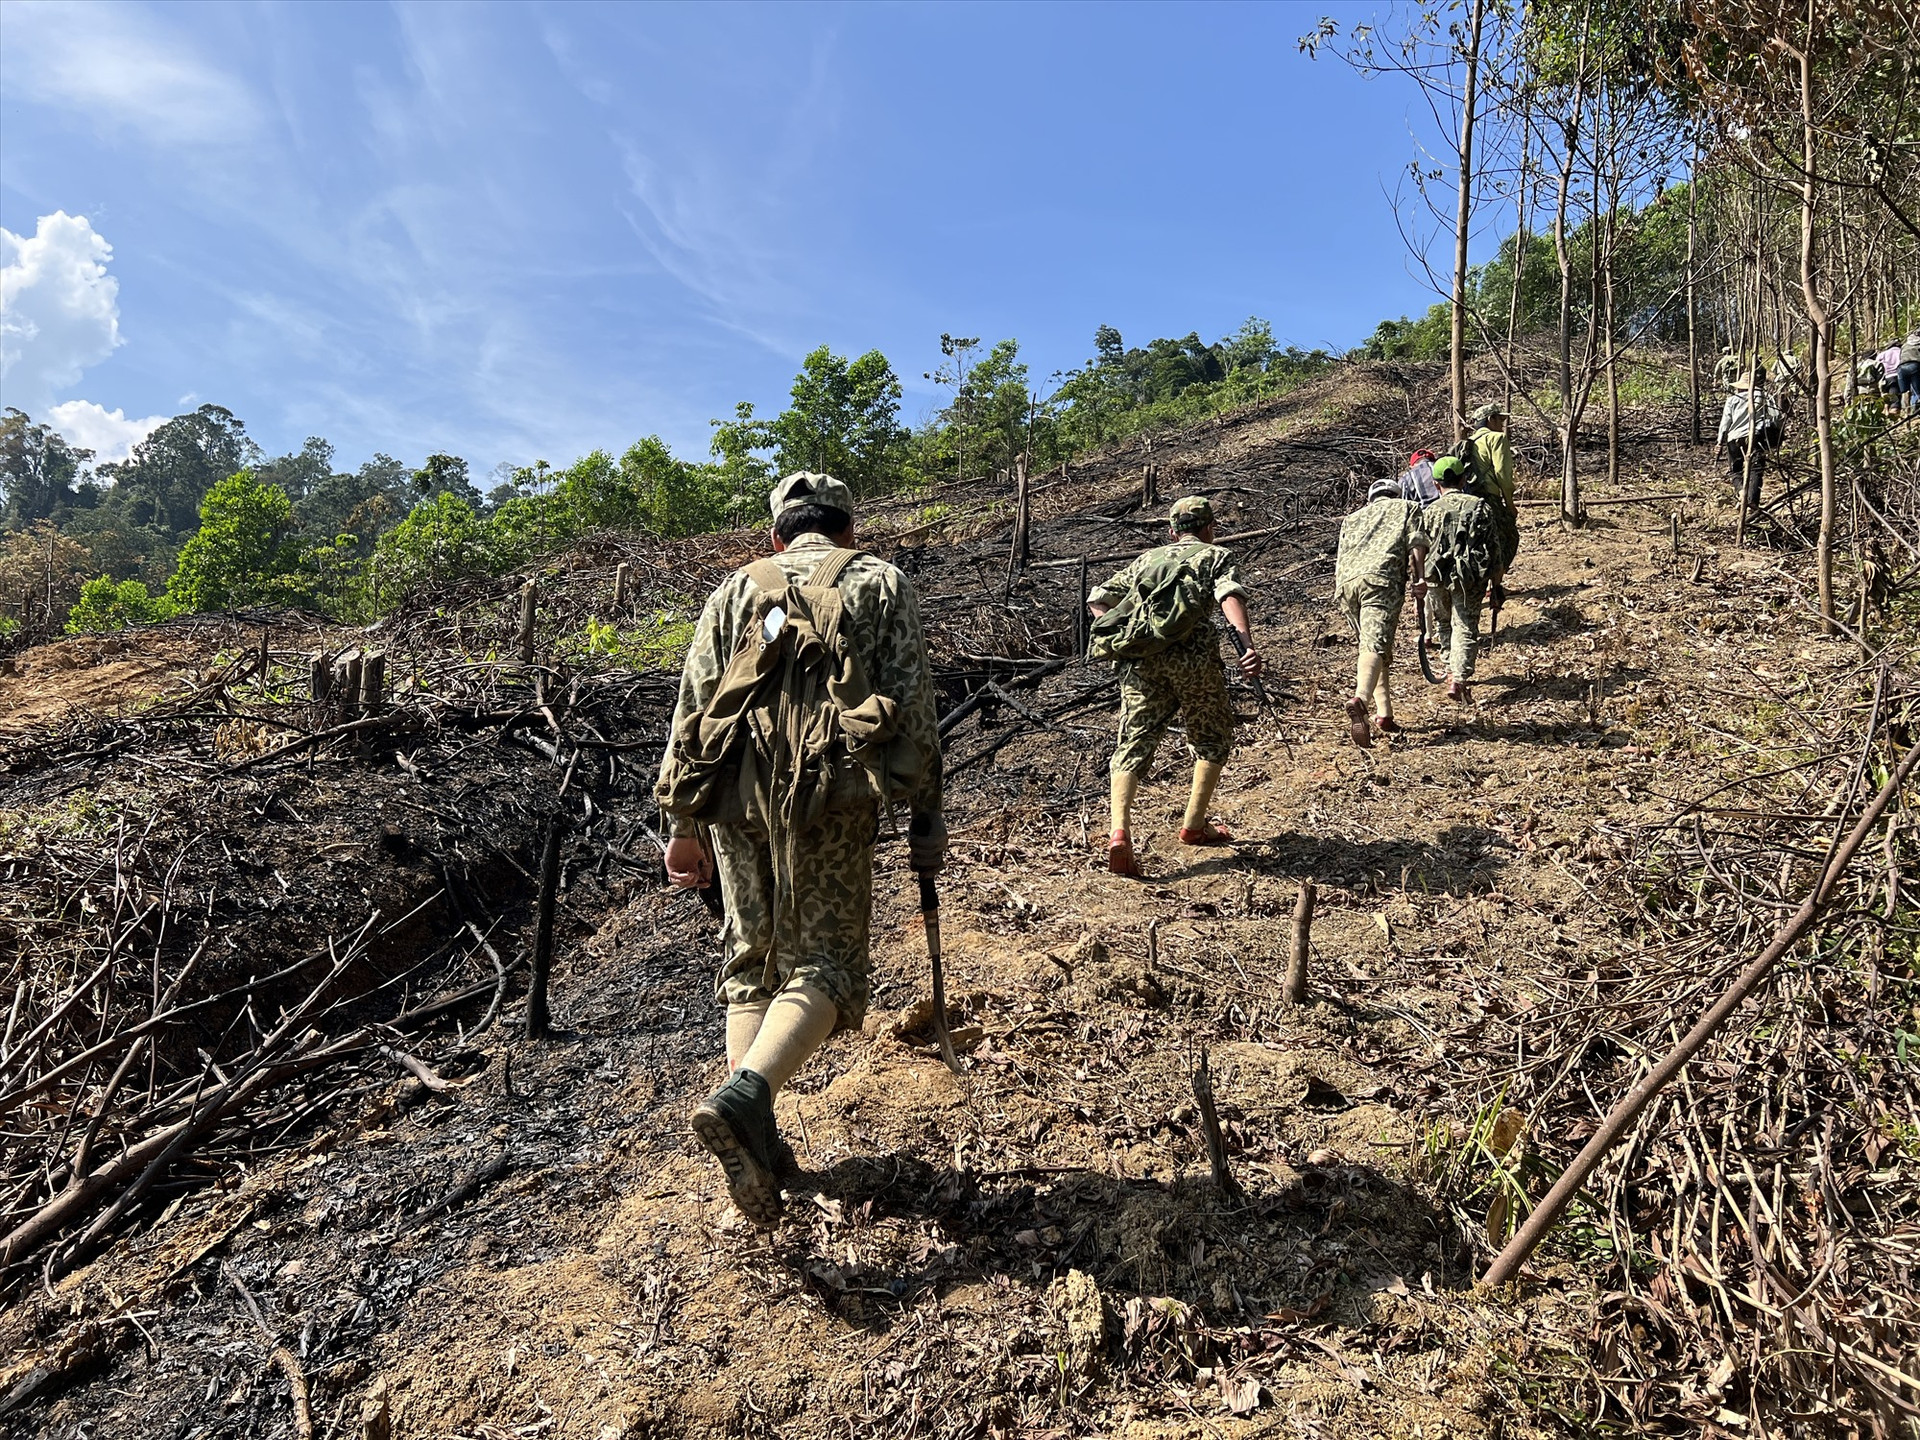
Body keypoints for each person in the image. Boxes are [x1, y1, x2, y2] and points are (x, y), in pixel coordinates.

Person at [659, 471, 944, 1227]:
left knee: (751, 957)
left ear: (777, 536)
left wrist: (682, 824)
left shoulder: (734, 589)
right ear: (849, 531)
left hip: (732, 797)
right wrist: (927, 814)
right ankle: (748, 1101)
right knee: (828, 964)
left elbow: (693, 705)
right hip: (835, 795)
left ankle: (759, 1140)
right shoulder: (880, 582)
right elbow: (912, 703)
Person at [1088, 495, 1263, 877]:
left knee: (1133, 741)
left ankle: (1119, 831)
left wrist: (1128, 633)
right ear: (1209, 528)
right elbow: (1229, 594)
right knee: (1212, 736)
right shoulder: (1214, 556)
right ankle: (1195, 824)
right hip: (1193, 660)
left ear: (1172, 531)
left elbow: (1098, 599)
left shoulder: (1146, 560)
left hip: (1140, 662)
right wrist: (1246, 644)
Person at [1334, 476, 1429, 747]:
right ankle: (1361, 700)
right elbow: (1417, 544)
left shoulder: (1351, 518)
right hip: (1381, 579)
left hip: (1347, 586)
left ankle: (1384, 714)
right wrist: (1419, 578)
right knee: (1374, 647)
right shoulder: (1407, 508)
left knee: (1372, 646)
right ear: (1396, 494)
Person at [1421, 456, 1501, 704]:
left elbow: (1419, 547)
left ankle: (1449, 669)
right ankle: (1460, 678)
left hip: (1435, 575)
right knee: (1465, 625)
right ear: (1464, 479)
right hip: (1470, 577)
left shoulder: (1429, 511)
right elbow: (1494, 549)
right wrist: (1496, 583)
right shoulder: (1479, 506)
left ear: (1436, 484)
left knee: (1445, 622)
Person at [1715, 367, 1783, 514]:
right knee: (1756, 470)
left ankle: (1741, 493)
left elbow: (1725, 423)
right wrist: (1776, 432)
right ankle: (1752, 502)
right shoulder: (1763, 396)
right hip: (1755, 437)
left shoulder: (1732, 400)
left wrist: (1720, 442)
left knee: (1735, 470)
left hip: (1734, 438)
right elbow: (1777, 416)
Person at [1465, 402, 1520, 578]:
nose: (1502, 424)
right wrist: (1509, 503)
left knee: (1481, 542)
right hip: (1490, 497)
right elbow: (1502, 474)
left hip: (1470, 499)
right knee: (1509, 537)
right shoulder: (1497, 439)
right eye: (1499, 420)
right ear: (1490, 419)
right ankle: (1496, 585)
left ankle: (1484, 584)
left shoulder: (1469, 442)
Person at [1901, 331, 1920, 416]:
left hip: (1901, 368)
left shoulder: (1904, 345)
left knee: (1905, 392)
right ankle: (1916, 411)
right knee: (1917, 391)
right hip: (1915, 365)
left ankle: (1906, 413)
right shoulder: (1918, 344)